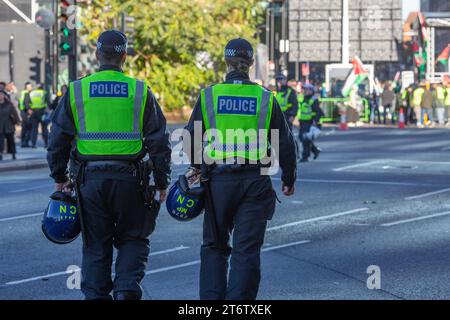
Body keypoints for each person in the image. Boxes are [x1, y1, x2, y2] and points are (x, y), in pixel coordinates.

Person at [47, 30, 172, 300]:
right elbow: (159, 142)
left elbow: (58, 138)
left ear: (96, 55)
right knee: (133, 239)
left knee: (95, 246)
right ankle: (127, 291)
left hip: (89, 182)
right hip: (132, 182)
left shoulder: (77, 90)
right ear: (124, 56)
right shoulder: (140, 90)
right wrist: (162, 181)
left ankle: (95, 296)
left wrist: (59, 175)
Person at [183, 38, 297, 300]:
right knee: (246, 251)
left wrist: (198, 167)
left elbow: (190, 138)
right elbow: (284, 142)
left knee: (214, 246)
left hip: (217, 182)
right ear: (250, 63)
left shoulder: (209, 95)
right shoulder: (265, 98)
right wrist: (289, 177)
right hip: (255, 182)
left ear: (227, 62)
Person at [297, 83, 322, 162]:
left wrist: (315, 121)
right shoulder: (303, 98)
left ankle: (305, 157)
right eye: (304, 89)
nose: (305, 91)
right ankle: (315, 150)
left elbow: (318, 112)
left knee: (305, 139)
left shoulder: (314, 99)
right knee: (302, 138)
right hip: (303, 121)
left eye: (307, 89)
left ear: (311, 91)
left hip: (310, 122)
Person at [0, 89, 20, 160]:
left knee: (11, 141)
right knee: (0, 141)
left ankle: (13, 154)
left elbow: (15, 113)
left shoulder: (9, 104)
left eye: (2, 94)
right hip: (0, 126)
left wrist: (17, 121)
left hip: (9, 125)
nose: (0, 96)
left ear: (4, 96)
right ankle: (0, 154)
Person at [29, 83, 49, 148]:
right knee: (44, 129)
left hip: (34, 112)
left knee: (34, 129)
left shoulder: (32, 93)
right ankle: (46, 144)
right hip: (42, 112)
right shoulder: (44, 93)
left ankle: (33, 144)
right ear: (42, 87)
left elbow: (29, 102)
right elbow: (48, 102)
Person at [18, 82, 33, 147]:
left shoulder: (23, 92)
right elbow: (26, 103)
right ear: (26, 87)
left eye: (30, 86)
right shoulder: (27, 93)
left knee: (24, 128)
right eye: (29, 87)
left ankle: (23, 142)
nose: (30, 88)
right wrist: (29, 110)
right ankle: (25, 142)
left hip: (23, 111)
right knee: (28, 127)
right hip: (26, 112)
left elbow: (20, 103)